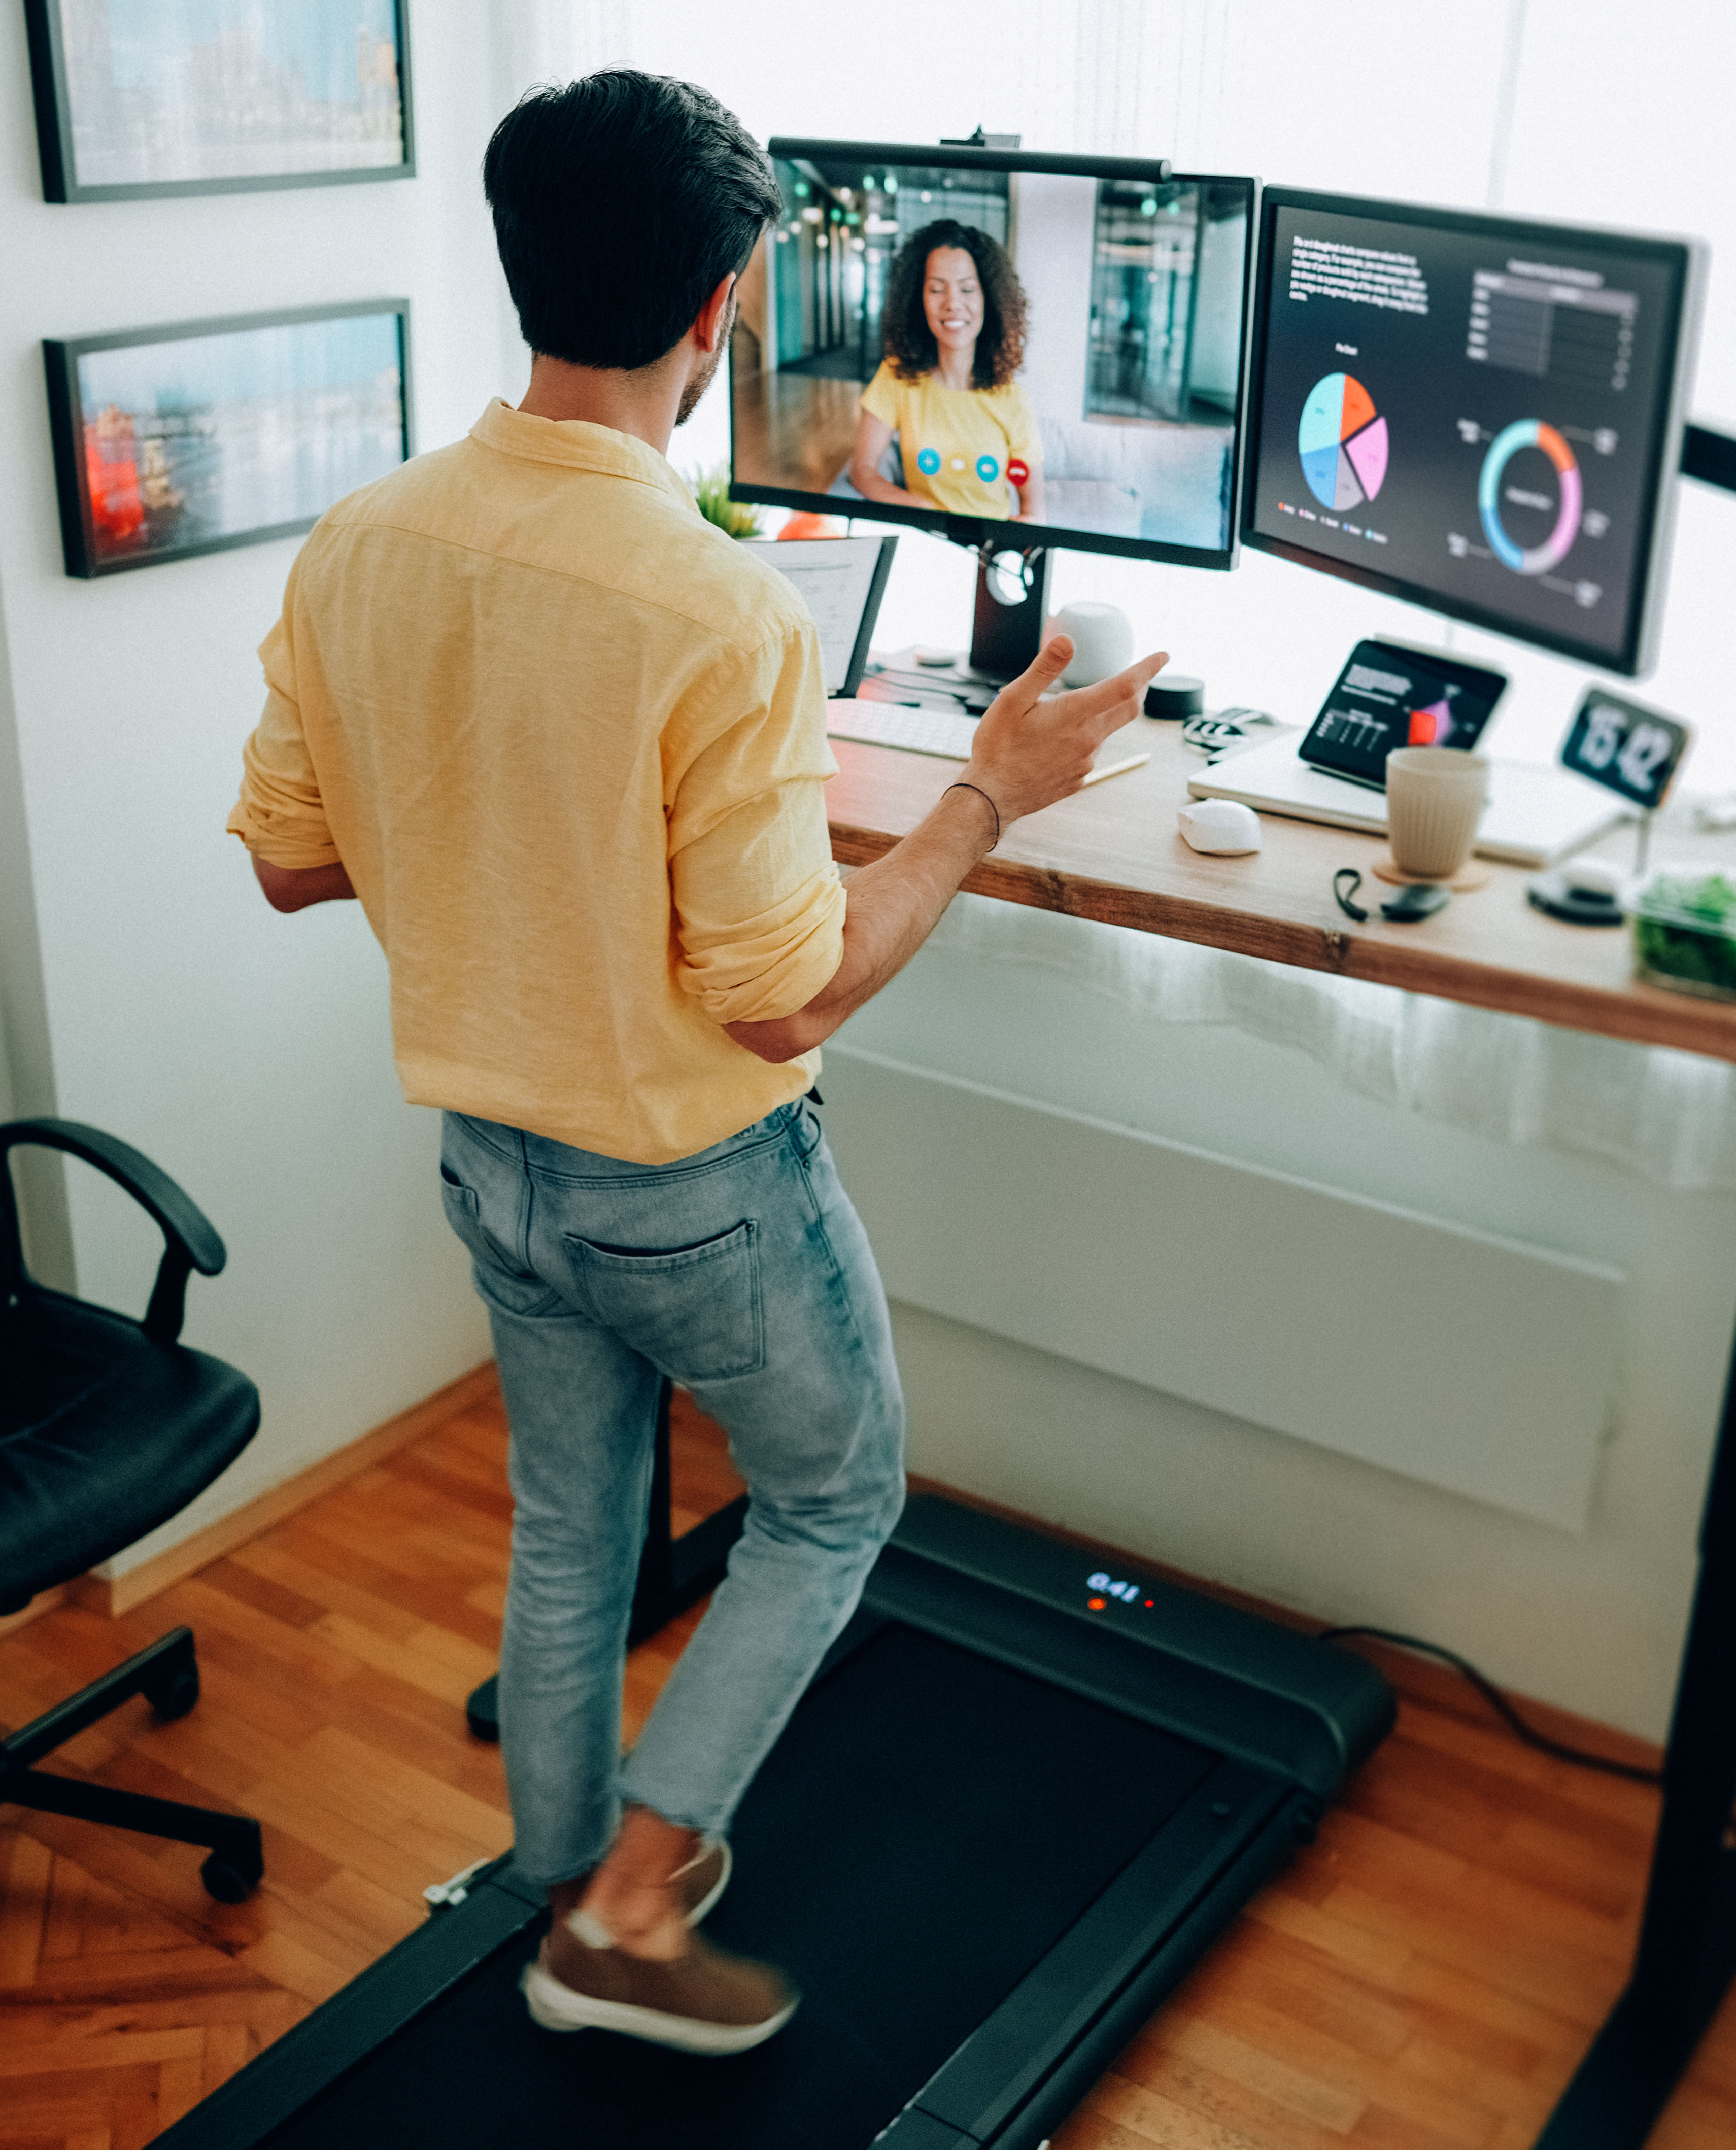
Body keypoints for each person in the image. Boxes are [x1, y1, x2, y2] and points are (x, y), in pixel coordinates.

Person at [225, 71, 1165, 2057]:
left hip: (492, 1166)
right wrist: (985, 793)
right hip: (691, 1192)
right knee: (833, 1500)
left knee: (574, 1527)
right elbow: (783, 1002)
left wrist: (493, 855)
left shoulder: (361, 540)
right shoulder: (719, 607)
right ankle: (634, 1908)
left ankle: (558, 1884)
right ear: (725, 302)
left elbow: (295, 864)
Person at [848, 218, 1042, 522]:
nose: (953, 304)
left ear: (988, 300)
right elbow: (862, 472)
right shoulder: (897, 376)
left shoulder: (1011, 397)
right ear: (918, 299)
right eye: (937, 289)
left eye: (967, 289)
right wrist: (925, 512)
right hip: (927, 542)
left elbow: (1033, 512)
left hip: (987, 551)